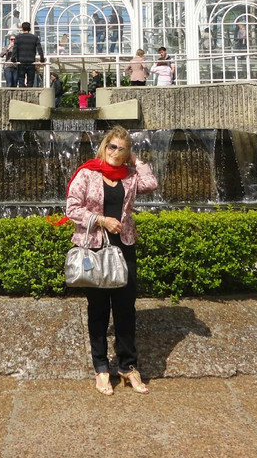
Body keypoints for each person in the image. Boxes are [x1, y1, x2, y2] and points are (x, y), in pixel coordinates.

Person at [66, 126, 157, 396]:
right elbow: (71, 208)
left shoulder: (130, 177)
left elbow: (151, 184)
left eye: (122, 148)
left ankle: (128, 366)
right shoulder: (88, 173)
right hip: (93, 248)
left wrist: (137, 162)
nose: (115, 152)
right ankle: (101, 368)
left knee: (126, 309)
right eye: (112, 146)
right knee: (98, 310)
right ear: (104, 146)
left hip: (123, 246)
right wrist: (101, 220)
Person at [12, 22, 44, 87]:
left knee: (21, 79)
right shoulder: (34, 37)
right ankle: (30, 92)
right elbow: (39, 49)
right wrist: (42, 59)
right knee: (30, 80)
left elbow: (15, 49)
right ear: (30, 29)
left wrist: (13, 59)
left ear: (22, 28)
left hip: (21, 61)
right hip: (31, 61)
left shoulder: (18, 38)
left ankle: (22, 94)